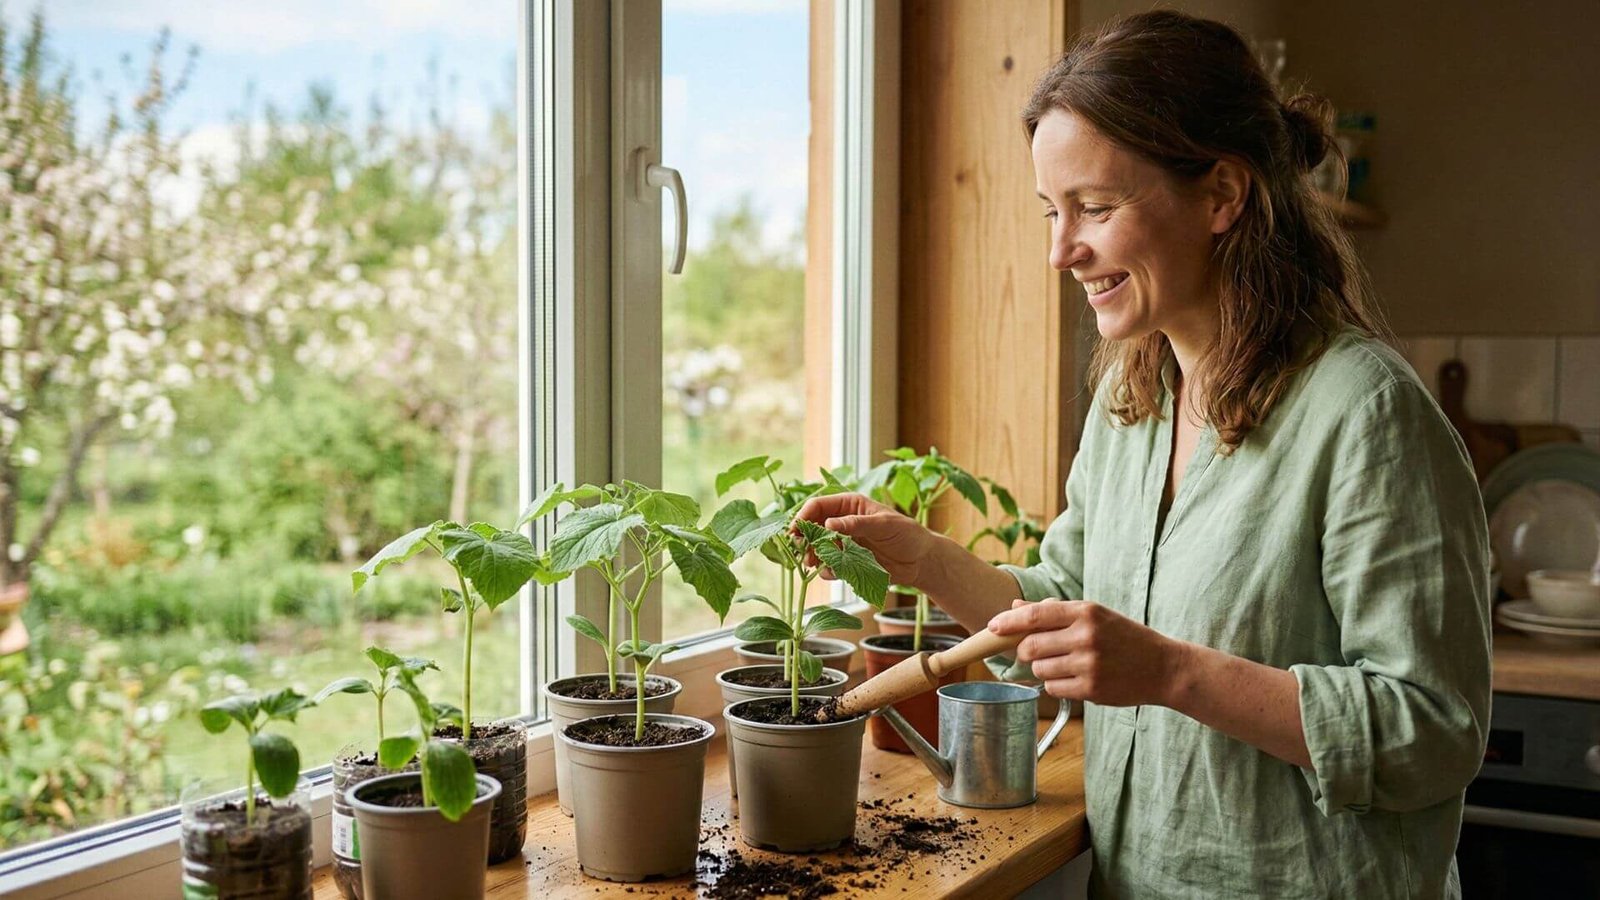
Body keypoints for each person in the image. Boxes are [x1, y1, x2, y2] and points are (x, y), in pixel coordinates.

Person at [798, 10, 1491, 898]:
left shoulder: (1368, 414)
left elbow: (1434, 732)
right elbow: (1065, 614)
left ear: (1221, 195)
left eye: (1094, 208)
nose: (1061, 251)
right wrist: (925, 559)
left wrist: (1172, 673)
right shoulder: (1134, 402)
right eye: (1052, 212)